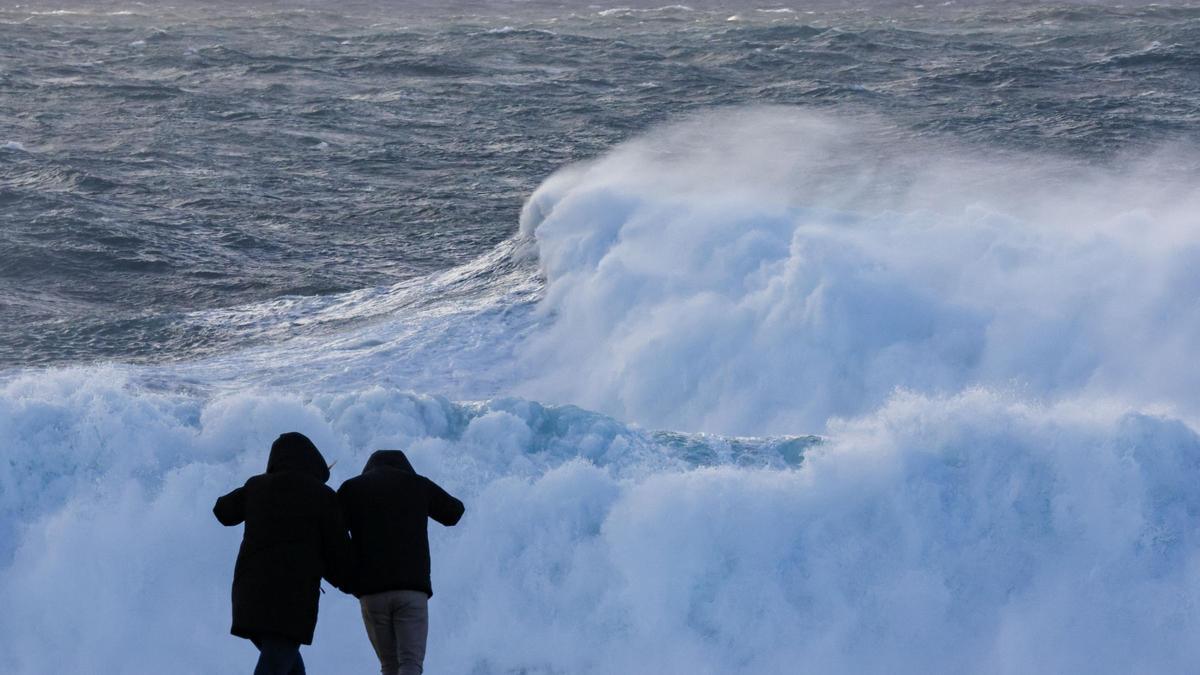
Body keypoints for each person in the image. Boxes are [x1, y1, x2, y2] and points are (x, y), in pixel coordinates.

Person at [213, 432, 352, 675]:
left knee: (287, 666)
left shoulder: (256, 486)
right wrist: (356, 584)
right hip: (292, 598)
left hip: (250, 594)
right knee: (276, 665)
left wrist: (259, 490)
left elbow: (223, 511)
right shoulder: (322, 495)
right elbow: (338, 554)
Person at [338, 449, 465, 675]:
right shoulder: (417, 484)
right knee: (410, 663)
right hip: (411, 589)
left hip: (371, 591)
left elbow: (332, 530)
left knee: (389, 665)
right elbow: (454, 512)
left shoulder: (352, 488)